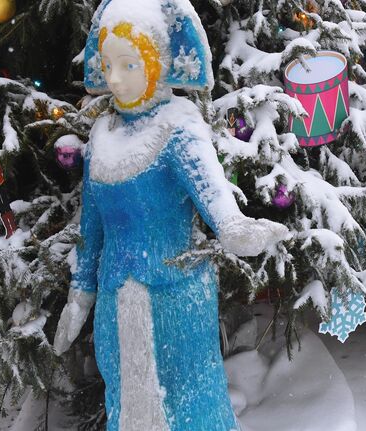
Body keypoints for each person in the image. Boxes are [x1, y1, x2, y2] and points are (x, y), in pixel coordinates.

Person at [51, 0, 288, 429]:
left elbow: (216, 202)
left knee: (189, 403)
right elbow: (92, 228)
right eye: (108, 65)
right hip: (114, 303)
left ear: (157, 62)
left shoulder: (179, 127)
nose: (115, 78)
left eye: (129, 64)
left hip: (176, 299)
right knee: (126, 395)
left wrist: (239, 231)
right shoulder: (101, 135)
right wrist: (80, 294)